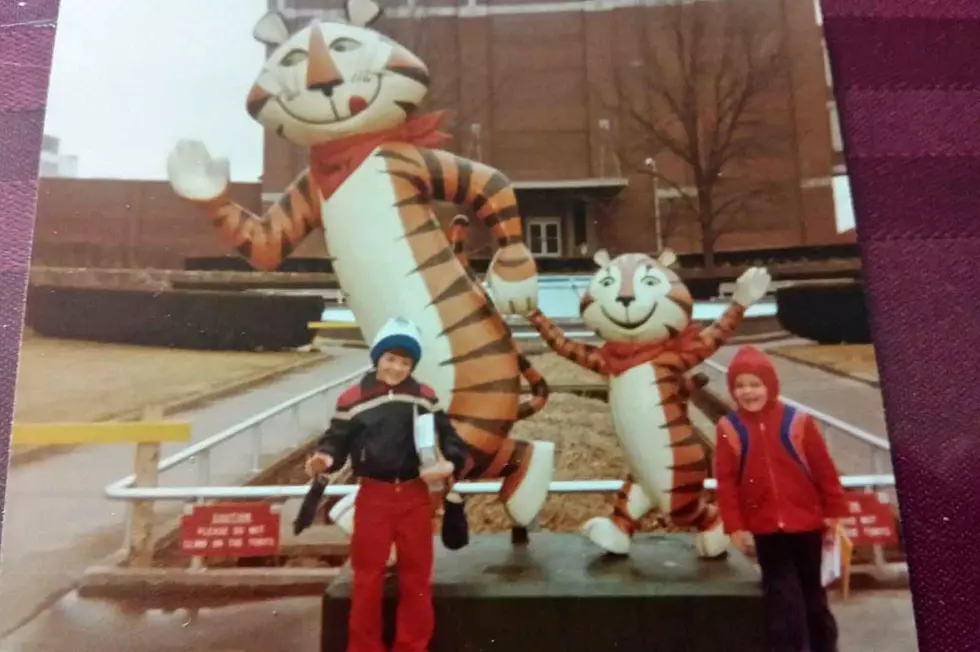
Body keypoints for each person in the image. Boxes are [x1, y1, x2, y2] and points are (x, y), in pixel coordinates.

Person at [305, 316, 469, 652]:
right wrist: (323, 458)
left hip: (415, 496)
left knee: (417, 580)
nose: (396, 368)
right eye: (390, 359)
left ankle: (412, 646)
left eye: (405, 362)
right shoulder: (353, 397)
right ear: (377, 357)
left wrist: (449, 462)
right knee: (367, 580)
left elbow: (449, 436)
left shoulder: (424, 396)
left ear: (413, 364)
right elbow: (335, 440)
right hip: (373, 496)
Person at [714, 345, 848, 652]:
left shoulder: (798, 422)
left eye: (755, 384)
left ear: (770, 386)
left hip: (807, 525)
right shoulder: (728, 429)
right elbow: (726, 482)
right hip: (765, 529)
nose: (747, 392)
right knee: (782, 601)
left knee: (814, 598)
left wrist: (834, 510)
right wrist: (734, 525)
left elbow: (824, 470)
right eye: (740, 386)